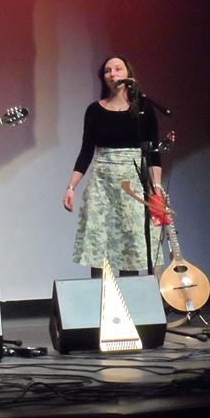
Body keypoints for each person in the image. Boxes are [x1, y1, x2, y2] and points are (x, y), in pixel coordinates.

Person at [63, 56, 164, 277]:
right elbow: (86, 151)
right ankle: (100, 294)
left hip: (134, 180)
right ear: (104, 77)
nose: (113, 73)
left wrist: (156, 188)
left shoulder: (144, 109)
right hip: (102, 182)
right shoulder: (94, 110)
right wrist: (71, 187)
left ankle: (130, 295)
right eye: (108, 70)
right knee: (98, 241)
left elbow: (154, 153)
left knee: (130, 242)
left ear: (128, 74)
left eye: (118, 69)